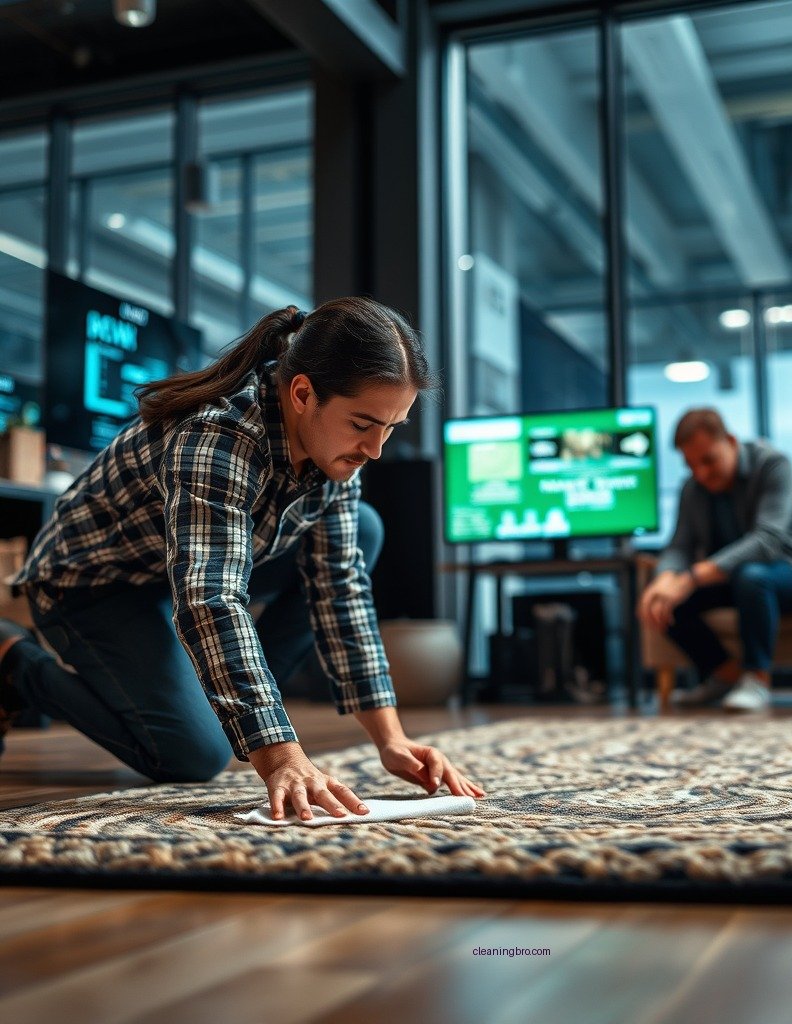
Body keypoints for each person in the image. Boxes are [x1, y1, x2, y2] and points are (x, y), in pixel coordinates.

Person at [0, 298, 485, 820]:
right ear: (303, 394)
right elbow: (211, 596)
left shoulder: (337, 445)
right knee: (193, 753)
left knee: (361, 528)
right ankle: (13, 661)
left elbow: (339, 588)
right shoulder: (219, 435)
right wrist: (281, 756)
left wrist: (391, 737)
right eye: (364, 424)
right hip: (90, 584)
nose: (376, 449)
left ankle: (237, 706)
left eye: (392, 428)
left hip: (171, 577)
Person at [637, 408, 792, 712]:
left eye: (708, 460)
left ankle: (757, 678)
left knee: (751, 576)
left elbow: (767, 541)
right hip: (730, 578)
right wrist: (663, 581)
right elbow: (679, 546)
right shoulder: (693, 488)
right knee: (664, 600)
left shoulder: (773, 464)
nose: (700, 473)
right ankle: (726, 675)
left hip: (790, 572)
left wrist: (690, 578)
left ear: (730, 441)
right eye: (691, 465)